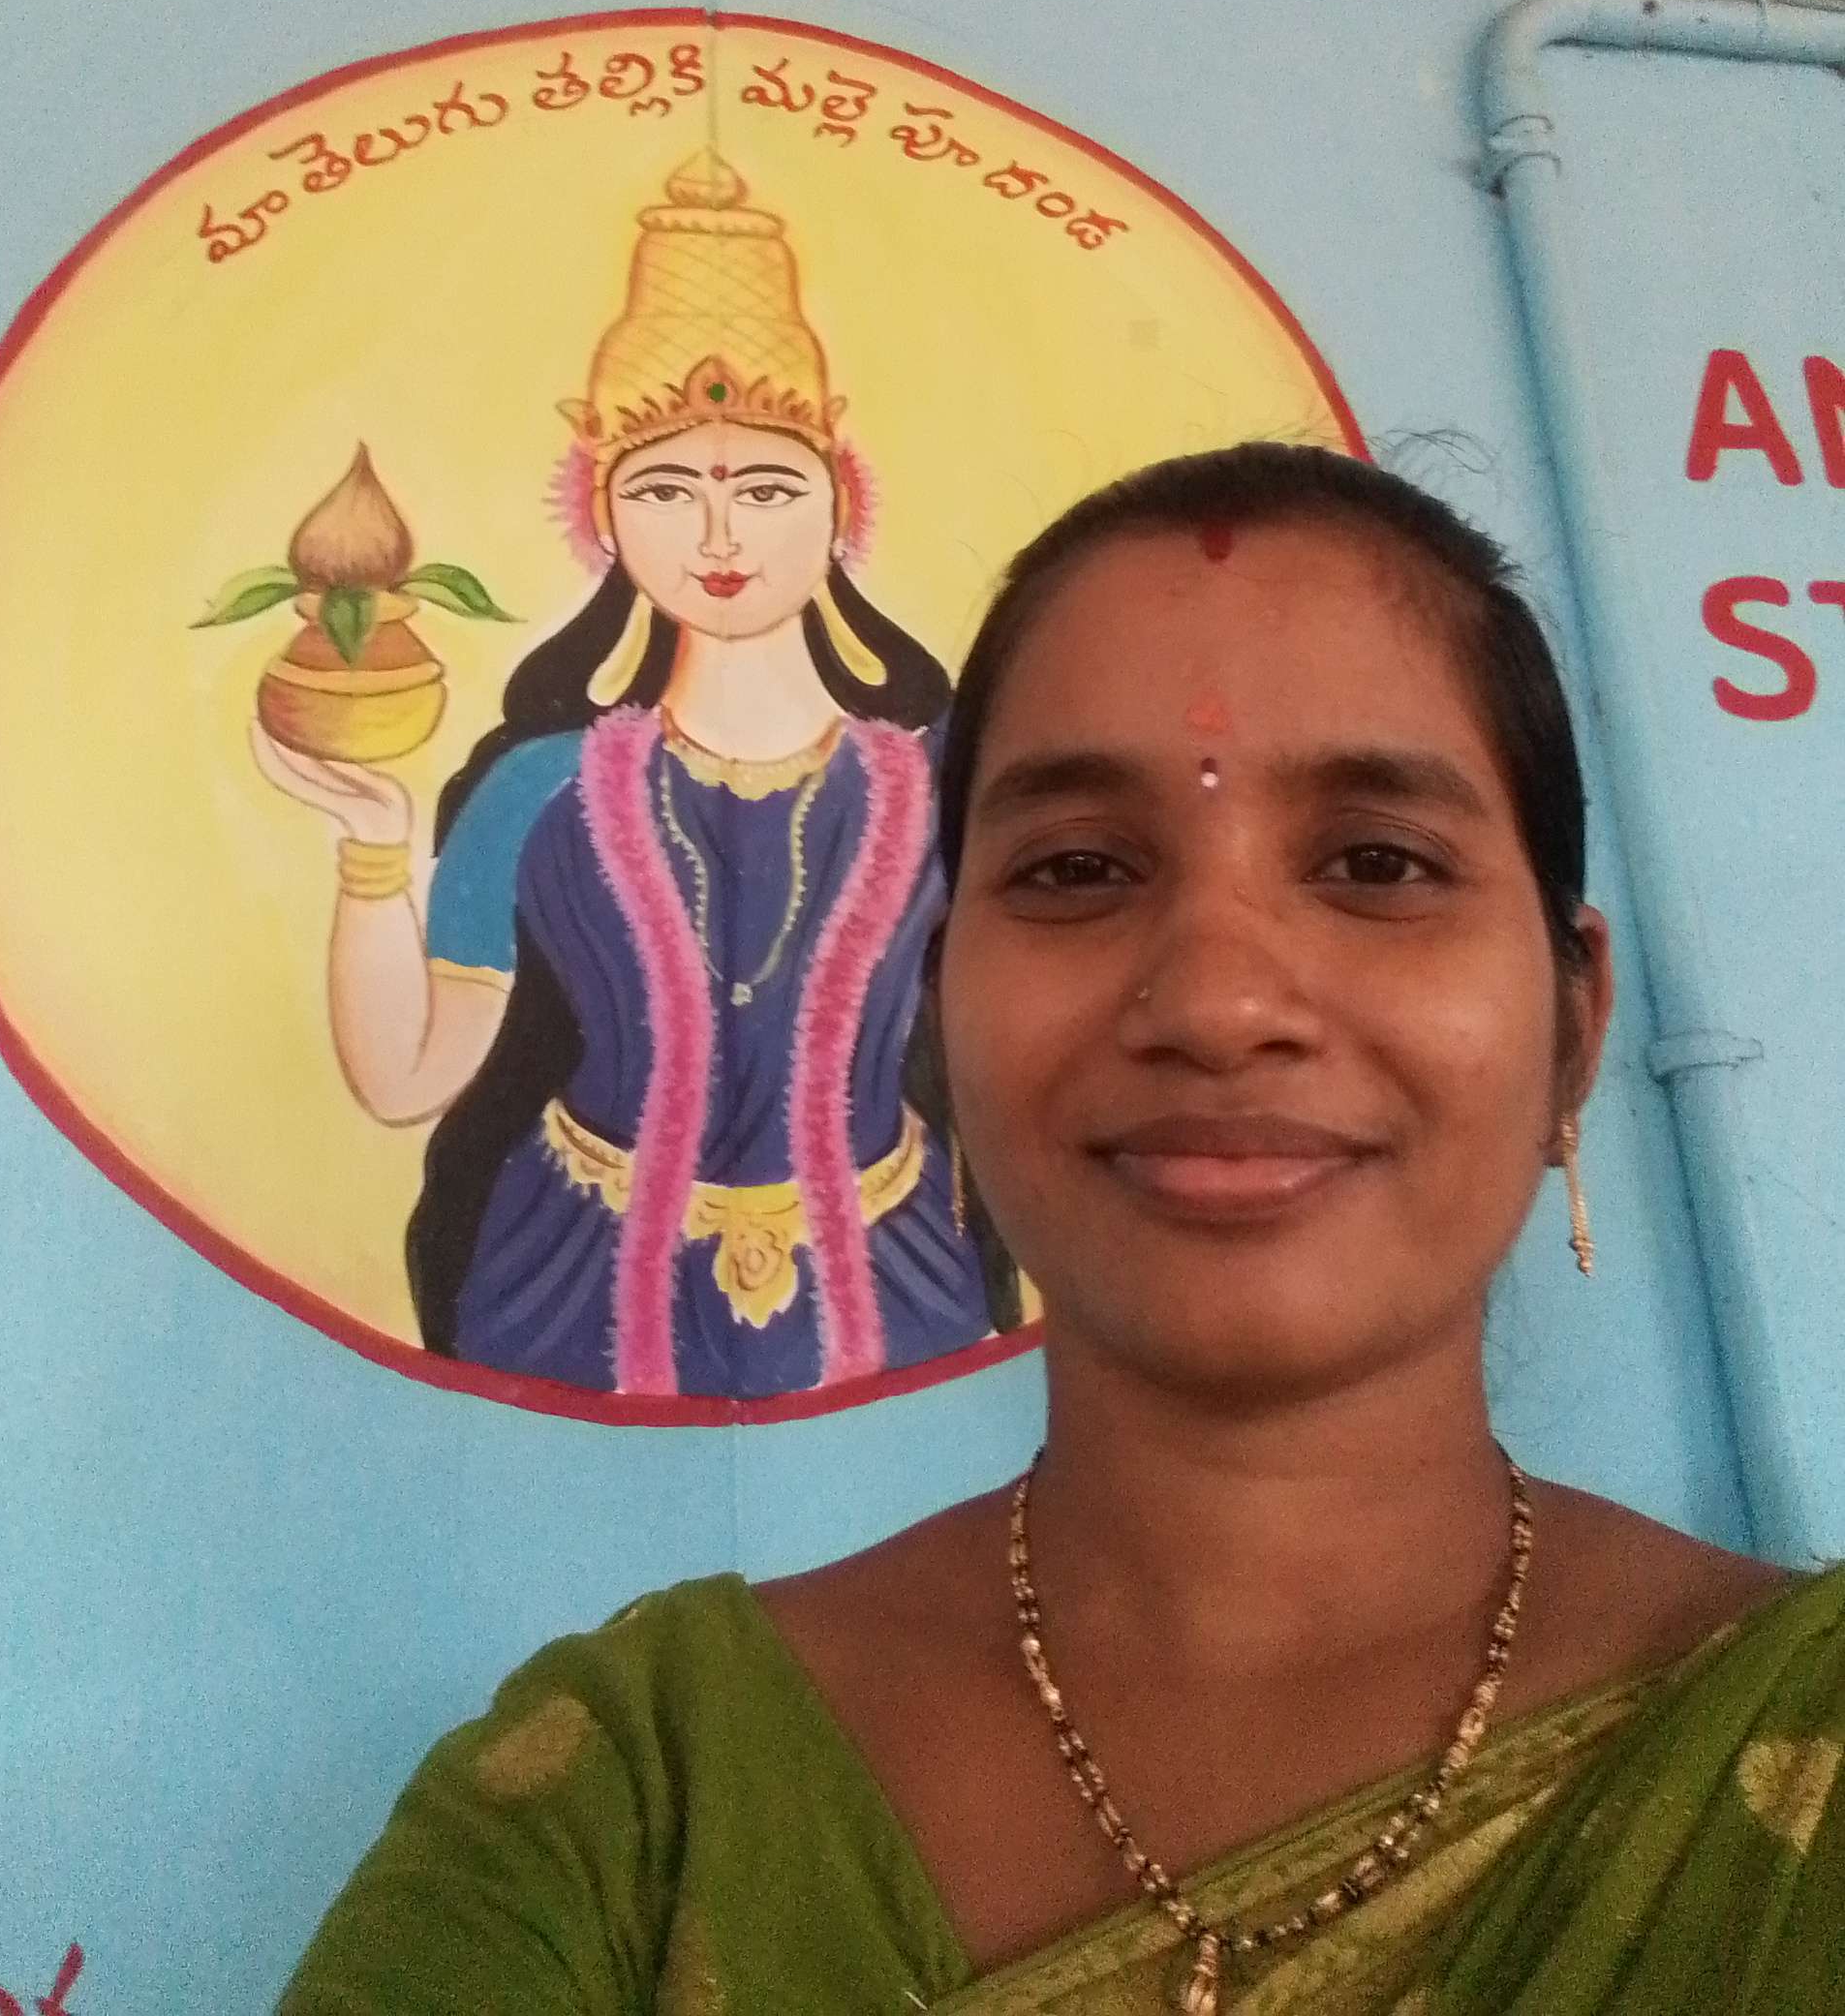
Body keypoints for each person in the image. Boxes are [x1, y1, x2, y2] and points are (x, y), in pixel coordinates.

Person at [279, 443, 1844, 2011]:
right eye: (1079, 868)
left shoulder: (1806, 1746)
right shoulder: (631, 1807)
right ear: (943, 1015)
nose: (1219, 1001)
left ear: (1573, 1027)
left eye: (1378, 863)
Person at [254, 150, 1003, 1399]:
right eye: (664, 489)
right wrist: (373, 849)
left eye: (766, 487)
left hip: (900, 1271)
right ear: (603, 514)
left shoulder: (946, 783)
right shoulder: (536, 789)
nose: (718, 534)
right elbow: (403, 1078)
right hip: (573, 1282)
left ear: (840, 502)